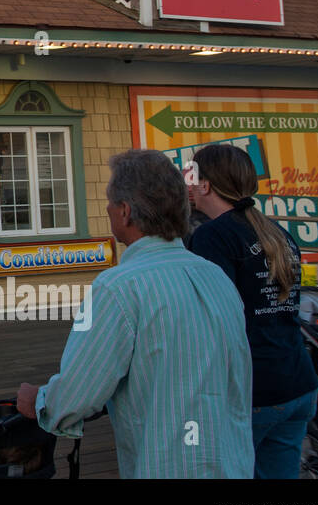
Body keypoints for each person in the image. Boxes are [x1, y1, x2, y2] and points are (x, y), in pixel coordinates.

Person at [15, 149, 253, 478]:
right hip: (234, 465)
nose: (108, 210)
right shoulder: (217, 278)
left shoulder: (117, 287)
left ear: (125, 212)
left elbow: (77, 395)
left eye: (110, 203)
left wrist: (39, 401)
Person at [187, 144, 318, 479]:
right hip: (298, 382)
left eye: (191, 174)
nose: (186, 182)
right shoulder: (278, 233)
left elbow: (214, 318)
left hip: (253, 390)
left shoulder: (212, 237)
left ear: (206, 186)